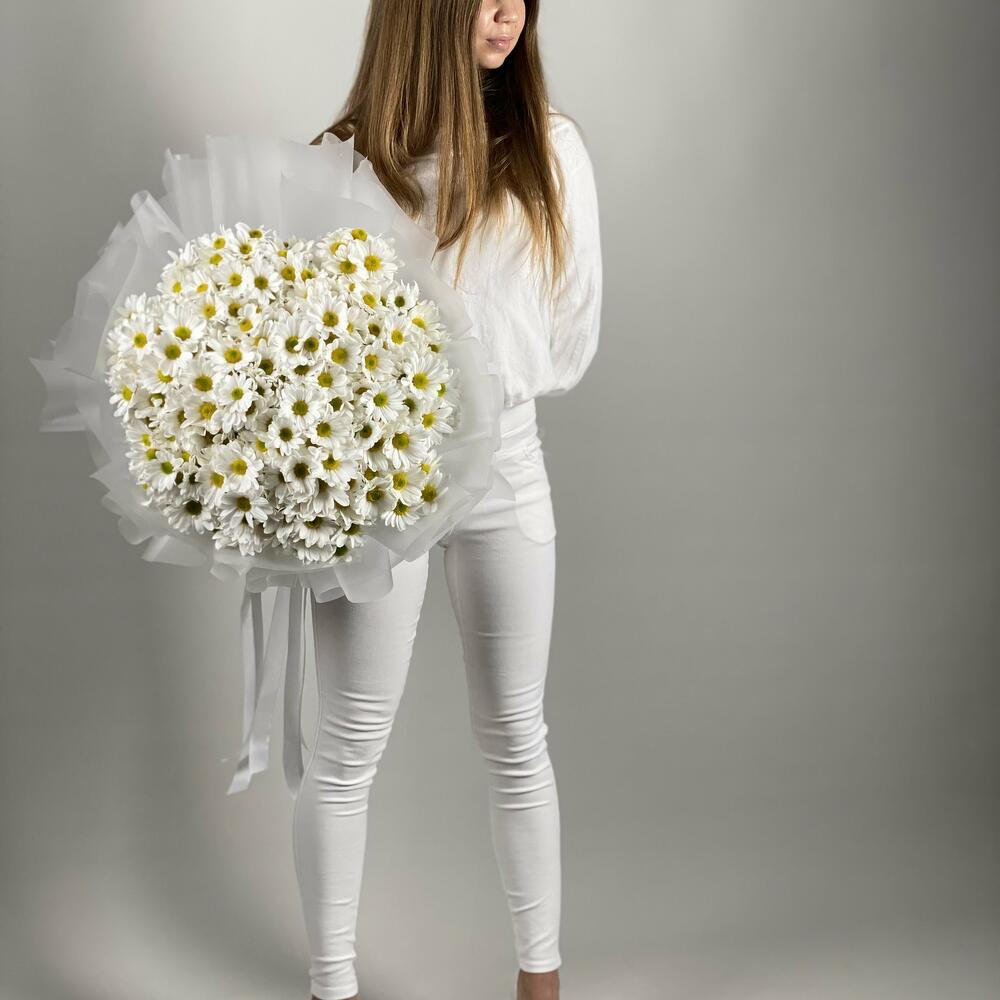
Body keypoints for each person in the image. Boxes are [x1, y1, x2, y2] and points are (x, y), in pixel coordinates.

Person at [298, 2, 602, 997]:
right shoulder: (341, 163)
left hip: (506, 465)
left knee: (517, 734)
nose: (509, 12)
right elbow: (304, 344)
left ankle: (539, 981)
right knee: (347, 748)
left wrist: (480, 385)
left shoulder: (550, 149)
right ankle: (331, 984)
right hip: (370, 485)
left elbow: (569, 336)